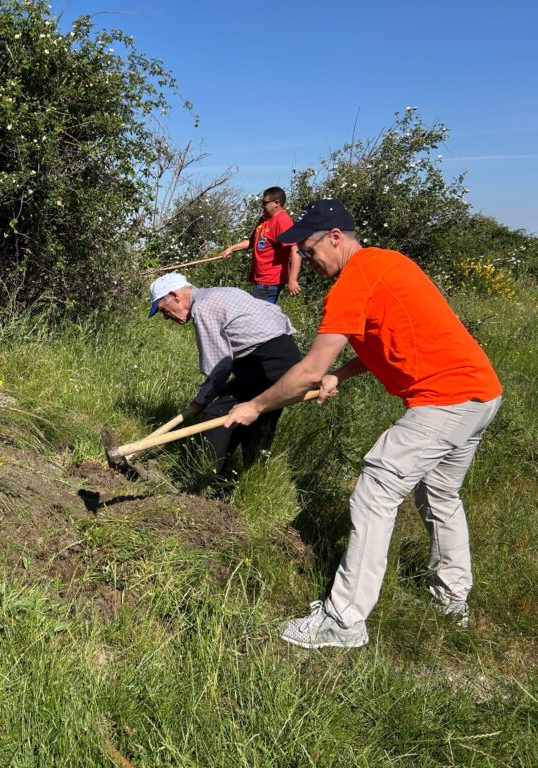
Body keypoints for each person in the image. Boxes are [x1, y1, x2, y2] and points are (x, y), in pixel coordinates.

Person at [224, 200, 502, 649]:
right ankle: (451, 599)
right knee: (440, 494)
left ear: (335, 237)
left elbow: (309, 369)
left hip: (444, 399)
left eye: (308, 252)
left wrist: (255, 406)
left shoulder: (352, 281)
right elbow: (390, 340)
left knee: (375, 490)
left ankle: (344, 619)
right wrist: (342, 373)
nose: (305, 262)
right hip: (481, 393)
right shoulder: (387, 264)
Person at [147, 271, 302, 482]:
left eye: (164, 310)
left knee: (219, 416)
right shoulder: (221, 293)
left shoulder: (203, 308)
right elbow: (273, 311)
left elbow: (219, 366)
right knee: (258, 419)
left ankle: (202, 479)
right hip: (285, 355)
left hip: (265, 361)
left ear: (175, 296)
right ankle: (253, 478)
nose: (166, 317)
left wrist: (202, 399)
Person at [218, 187, 301, 303]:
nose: (262, 205)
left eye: (265, 203)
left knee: (256, 316)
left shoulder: (283, 221)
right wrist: (231, 249)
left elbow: (294, 249)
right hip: (260, 278)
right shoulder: (264, 219)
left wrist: (292, 280)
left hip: (271, 280)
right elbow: (252, 242)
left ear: (276, 203)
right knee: (261, 316)